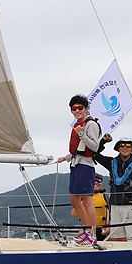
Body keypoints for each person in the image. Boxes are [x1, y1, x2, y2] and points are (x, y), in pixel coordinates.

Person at [55, 94, 102, 245]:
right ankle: (87, 230)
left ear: (86, 109)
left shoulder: (91, 125)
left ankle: (92, 234)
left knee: (87, 200)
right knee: (74, 200)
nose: (77, 111)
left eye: (80, 108)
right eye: (73, 109)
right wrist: (66, 157)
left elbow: (94, 147)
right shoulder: (77, 125)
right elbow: (78, 149)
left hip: (86, 166)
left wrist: (82, 133)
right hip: (75, 164)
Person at [94, 138, 132, 242]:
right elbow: (95, 154)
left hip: (131, 205)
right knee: (118, 236)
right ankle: (125, 257)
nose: (125, 147)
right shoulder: (111, 163)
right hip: (114, 205)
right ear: (118, 148)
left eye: (128, 146)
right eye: (122, 145)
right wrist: (103, 142)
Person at [92, 174, 110, 241]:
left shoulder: (106, 197)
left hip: (103, 229)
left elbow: (112, 213)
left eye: (98, 181)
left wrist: (109, 227)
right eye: (93, 180)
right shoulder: (85, 197)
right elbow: (75, 214)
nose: (96, 182)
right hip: (89, 228)